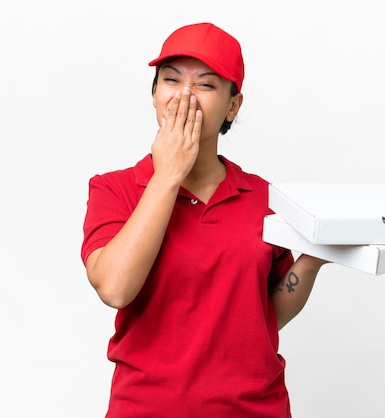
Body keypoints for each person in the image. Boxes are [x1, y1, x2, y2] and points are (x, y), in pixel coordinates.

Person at [81, 22, 329, 418]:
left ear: (233, 105)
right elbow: (114, 288)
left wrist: (313, 260)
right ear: (154, 94)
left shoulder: (264, 197)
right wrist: (168, 175)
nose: (184, 95)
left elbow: (265, 314)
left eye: (206, 85)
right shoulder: (115, 189)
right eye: (171, 79)